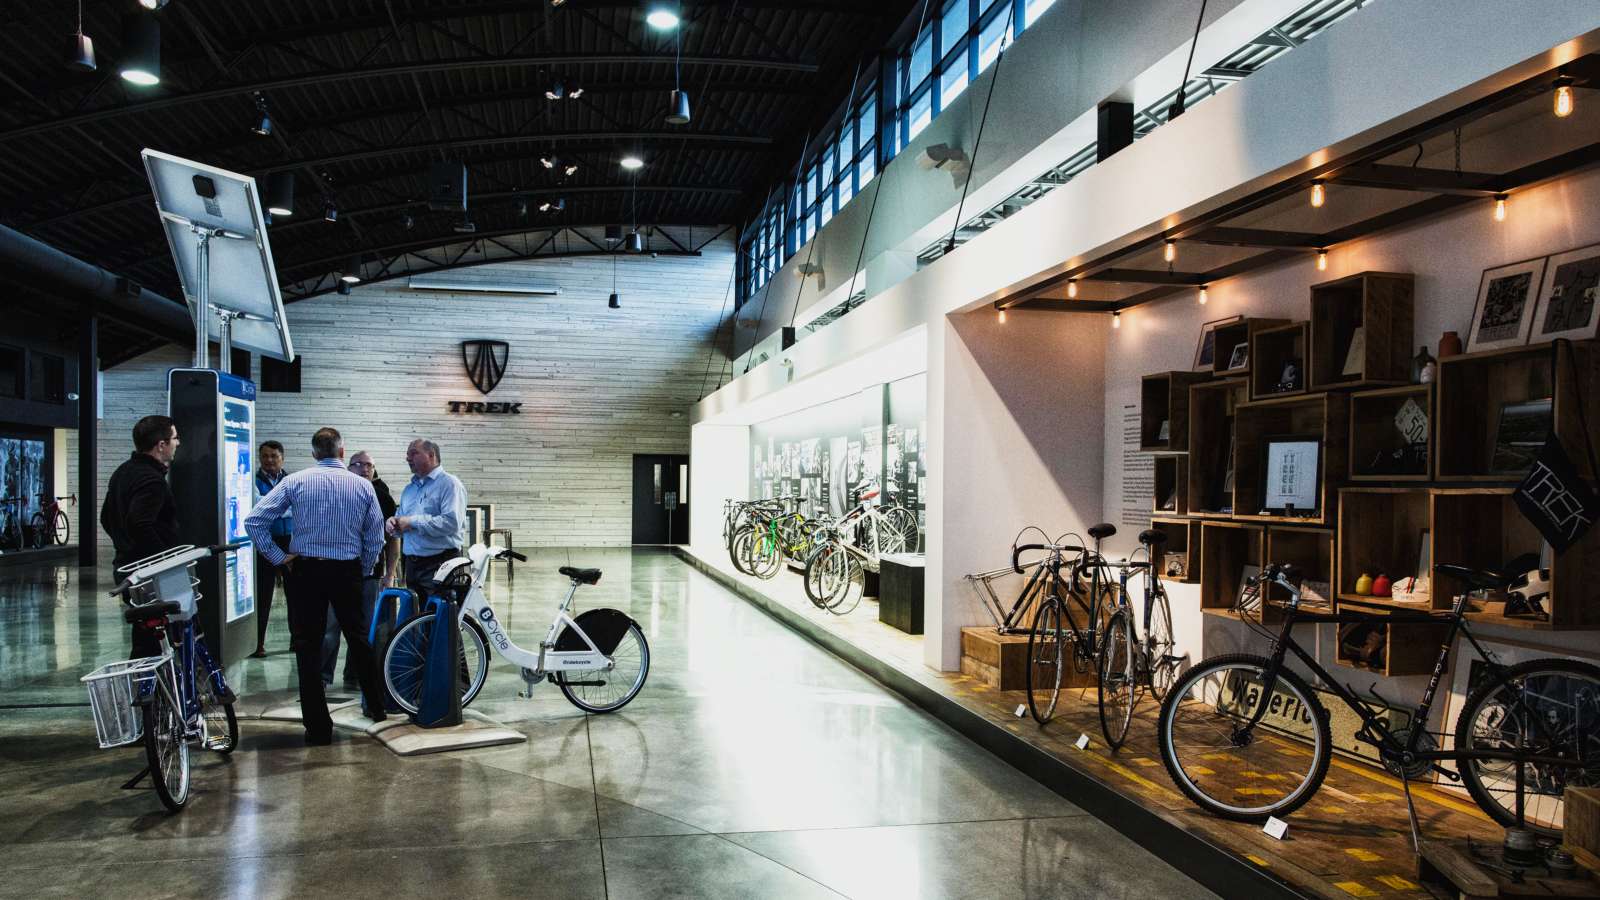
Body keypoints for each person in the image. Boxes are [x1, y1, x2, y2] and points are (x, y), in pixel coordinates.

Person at [245, 427, 387, 744]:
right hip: (348, 570)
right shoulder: (363, 486)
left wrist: (279, 558)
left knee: (308, 646)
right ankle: (377, 709)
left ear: (313, 453)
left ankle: (318, 727)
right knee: (359, 640)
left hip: (306, 571)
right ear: (341, 452)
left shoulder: (295, 481)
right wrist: (363, 569)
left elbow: (254, 521)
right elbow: (375, 536)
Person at [100, 415, 182, 658]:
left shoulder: (124, 472)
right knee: (151, 642)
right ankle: (145, 682)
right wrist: (163, 560)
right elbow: (140, 523)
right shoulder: (151, 480)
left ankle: (148, 681)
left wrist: (124, 545)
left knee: (147, 636)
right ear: (161, 445)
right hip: (148, 574)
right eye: (175, 438)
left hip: (127, 566)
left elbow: (106, 518)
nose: (178, 443)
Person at [322, 451, 400, 690]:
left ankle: (354, 677)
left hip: (370, 575)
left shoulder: (383, 498)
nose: (365, 469)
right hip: (337, 571)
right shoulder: (337, 492)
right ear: (349, 467)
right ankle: (323, 677)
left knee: (364, 629)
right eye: (359, 464)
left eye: (370, 465)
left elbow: (393, 540)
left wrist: (390, 573)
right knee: (330, 628)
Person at [390, 439, 468, 599]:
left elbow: (451, 523)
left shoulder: (450, 484)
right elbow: (402, 519)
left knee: (441, 612)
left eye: (413, 453)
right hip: (412, 564)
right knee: (417, 612)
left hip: (440, 563)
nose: (408, 458)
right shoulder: (409, 489)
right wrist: (393, 524)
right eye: (407, 454)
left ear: (431, 455)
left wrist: (412, 521)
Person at [250, 440, 293, 658]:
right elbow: (258, 506)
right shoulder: (253, 481)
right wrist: (284, 507)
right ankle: (257, 643)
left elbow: (294, 508)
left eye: (274, 456)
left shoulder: (292, 481)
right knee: (263, 596)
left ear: (282, 458)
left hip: (291, 544)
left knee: (296, 595)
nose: (269, 460)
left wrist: (271, 507)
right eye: (265, 456)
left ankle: (297, 640)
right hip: (264, 542)